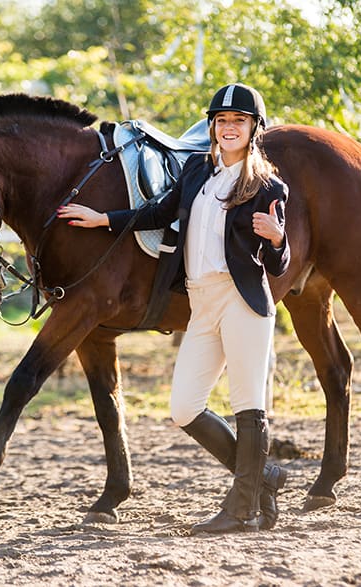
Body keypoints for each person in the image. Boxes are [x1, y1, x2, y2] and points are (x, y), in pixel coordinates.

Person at [58, 83, 289, 534]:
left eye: (238, 121)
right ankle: (264, 477)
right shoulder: (197, 171)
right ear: (211, 126)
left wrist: (278, 239)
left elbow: (280, 262)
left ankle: (242, 509)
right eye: (221, 121)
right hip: (200, 302)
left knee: (248, 405)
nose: (228, 128)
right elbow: (160, 212)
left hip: (242, 300)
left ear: (253, 129)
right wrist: (103, 219)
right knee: (184, 407)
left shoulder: (268, 186)